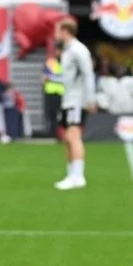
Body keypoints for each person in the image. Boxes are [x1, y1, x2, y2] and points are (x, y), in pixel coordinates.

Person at [53, 17, 96, 189]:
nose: (56, 34)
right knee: (67, 138)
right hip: (68, 100)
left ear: (65, 31)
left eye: (58, 30)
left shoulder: (79, 50)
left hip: (77, 101)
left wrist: (90, 98)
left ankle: (78, 177)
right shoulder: (68, 51)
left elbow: (88, 74)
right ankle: (71, 174)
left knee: (73, 135)